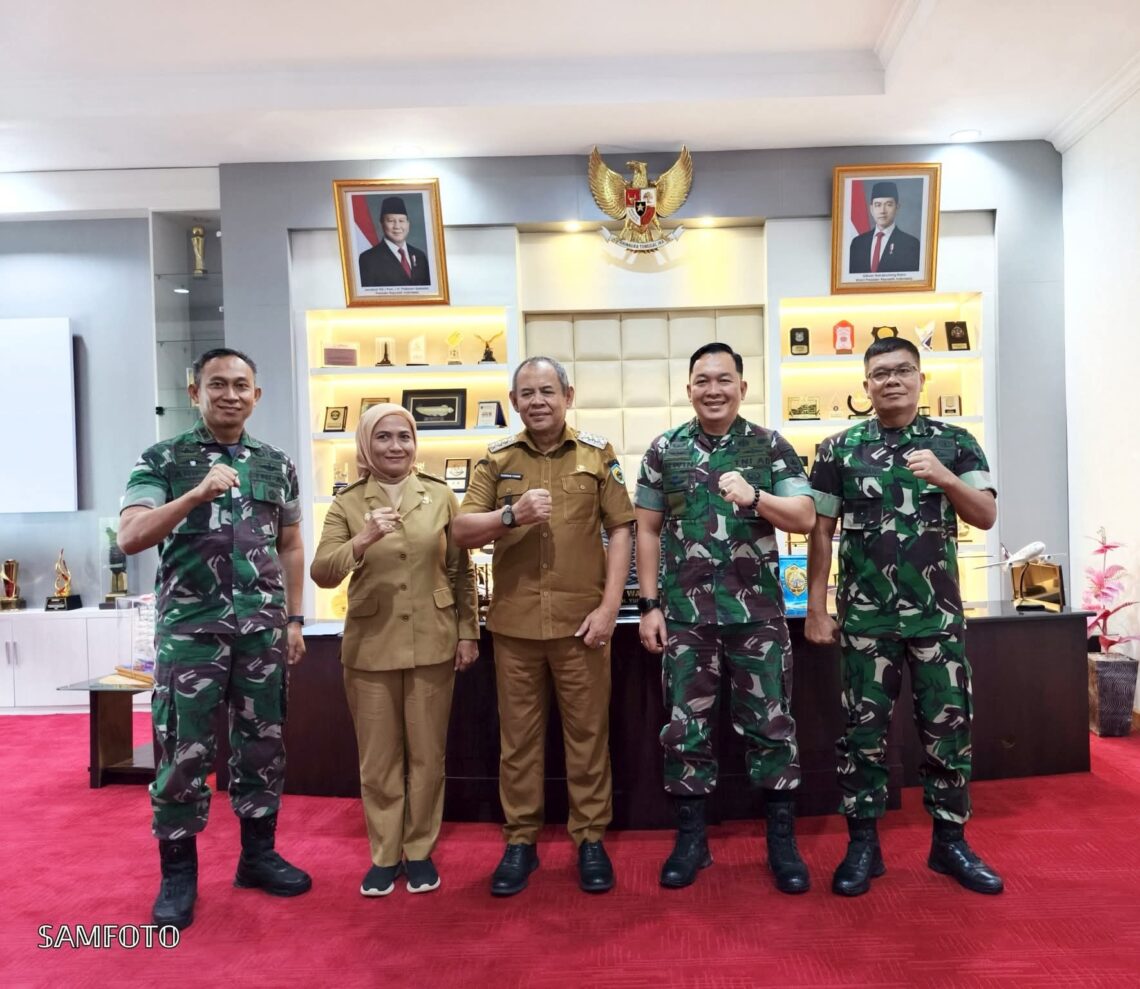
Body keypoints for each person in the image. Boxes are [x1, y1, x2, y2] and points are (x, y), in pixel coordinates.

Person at [118, 348, 311, 931]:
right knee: (184, 752)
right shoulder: (163, 459)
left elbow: (292, 543)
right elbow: (130, 535)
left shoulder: (275, 463)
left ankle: (258, 856)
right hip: (191, 636)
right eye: (217, 384)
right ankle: (178, 874)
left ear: (257, 394)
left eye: (241, 385)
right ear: (194, 391)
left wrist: (295, 620)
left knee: (263, 745)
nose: (230, 394)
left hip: (261, 634)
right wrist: (194, 496)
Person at [805, 336, 1004, 897]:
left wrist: (944, 476)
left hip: (936, 621)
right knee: (861, 736)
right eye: (880, 374)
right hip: (866, 623)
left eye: (903, 371)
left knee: (948, 730)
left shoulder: (955, 443)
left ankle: (950, 843)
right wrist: (817, 608)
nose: (891, 381)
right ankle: (863, 844)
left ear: (922, 380)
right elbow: (822, 532)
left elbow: (986, 514)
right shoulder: (837, 449)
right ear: (864, 386)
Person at [635, 342, 816, 894]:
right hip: (687, 618)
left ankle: (781, 843)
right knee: (685, 731)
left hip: (757, 615)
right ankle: (692, 841)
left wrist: (756, 495)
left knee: (771, 727)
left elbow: (805, 517)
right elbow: (645, 528)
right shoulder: (665, 449)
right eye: (702, 380)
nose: (713, 389)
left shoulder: (770, 446)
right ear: (688, 388)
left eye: (724, 379)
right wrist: (649, 605)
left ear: (742, 385)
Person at [452, 356, 634, 897]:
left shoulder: (598, 456)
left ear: (568, 395)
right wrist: (511, 516)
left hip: (583, 626)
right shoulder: (495, 461)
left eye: (547, 391)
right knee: (519, 742)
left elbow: (621, 530)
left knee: (587, 737)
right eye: (526, 393)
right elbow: (462, 530)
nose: (537, 401)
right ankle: (520, 841)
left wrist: (609, 608)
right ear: (513, 402)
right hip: (514, 627)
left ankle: (590, 839)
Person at [310, 403, 478, 897]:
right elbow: (323, 572)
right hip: (370, 647)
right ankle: (385, 855)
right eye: (383, 437)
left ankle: (420, 850)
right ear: (366, 445)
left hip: (433, 640)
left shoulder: (442, 496)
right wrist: (362, 539)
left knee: (428, 756)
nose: (396, 446)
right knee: (379, 759)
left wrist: (467, 631)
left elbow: (460, 572)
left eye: (404, 436)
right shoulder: (347, 504)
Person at [848, 181, 921, 274]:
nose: (882, 211)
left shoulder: (911, 245)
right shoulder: (857, 243)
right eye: (878, 205)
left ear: (897, 207)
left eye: (889, 204)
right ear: (871, 209)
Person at [358, 195, 431, 287]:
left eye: (401, 221)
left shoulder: (420, 256)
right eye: (391, 221)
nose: (397, 226)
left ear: (408, 224)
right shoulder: (368, 259)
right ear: (381, 224)